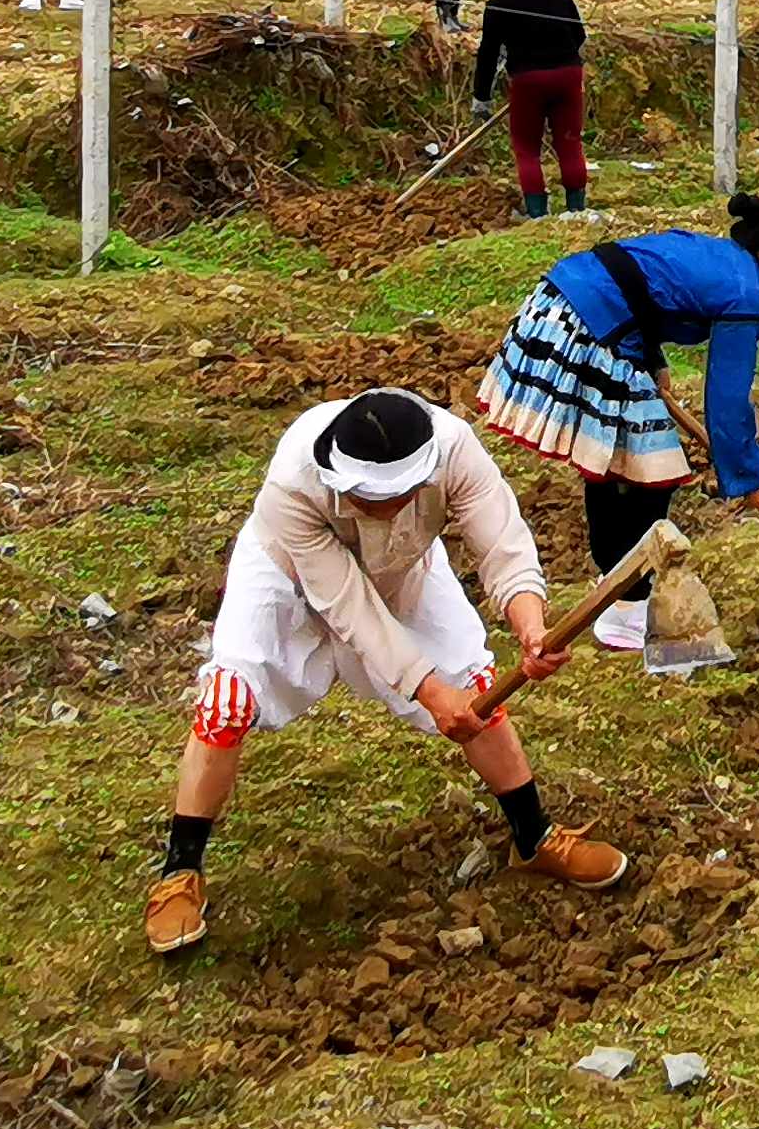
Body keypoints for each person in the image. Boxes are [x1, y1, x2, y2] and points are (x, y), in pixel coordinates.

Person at [146, 388, 620, 958]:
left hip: (406, 565)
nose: (373, 508)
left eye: (387, 499)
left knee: (480, 693)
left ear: (420, 482)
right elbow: (351, 610)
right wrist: (428, 689)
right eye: (361, 498)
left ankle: (534, 837)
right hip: (287, 574)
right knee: (226, 705)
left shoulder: (454, 451)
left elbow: (502, 541)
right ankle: (179, 872)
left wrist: (531, 625)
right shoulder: (293, 485)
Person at [476, 194, 759, 653]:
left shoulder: (719, 258)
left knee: (626, 460)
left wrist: (651, 358)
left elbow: (641, 285)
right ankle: (625, 605)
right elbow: (726, 401)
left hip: (574, 302)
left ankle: (620, 592)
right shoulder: (742, 290)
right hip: (587, 322)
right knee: (644, 469)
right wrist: (754, 477)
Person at [472, 0, 591, 221]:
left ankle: (537, 215)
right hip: (567, 74)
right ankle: (577, 211)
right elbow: (579, 36)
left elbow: (487, 53)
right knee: (569, 142)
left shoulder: (498, 3)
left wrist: (482, 97)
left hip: (528, 80)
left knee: (526, 148)